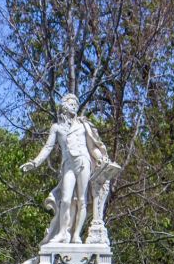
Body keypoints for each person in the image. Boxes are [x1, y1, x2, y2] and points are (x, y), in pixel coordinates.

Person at [20, 93, 112, 245]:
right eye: (71, 103)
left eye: (76, 103)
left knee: (82, 199)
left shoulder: (83, 125)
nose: (75, 105)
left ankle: (76, 235)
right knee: (65, 199)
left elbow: (92, 146)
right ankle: (63, 233)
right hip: (68, 165)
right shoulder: (56, 127)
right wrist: (34, 163)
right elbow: (47, 147)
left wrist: (100, 157)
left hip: (83, 161)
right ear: (64, 106)